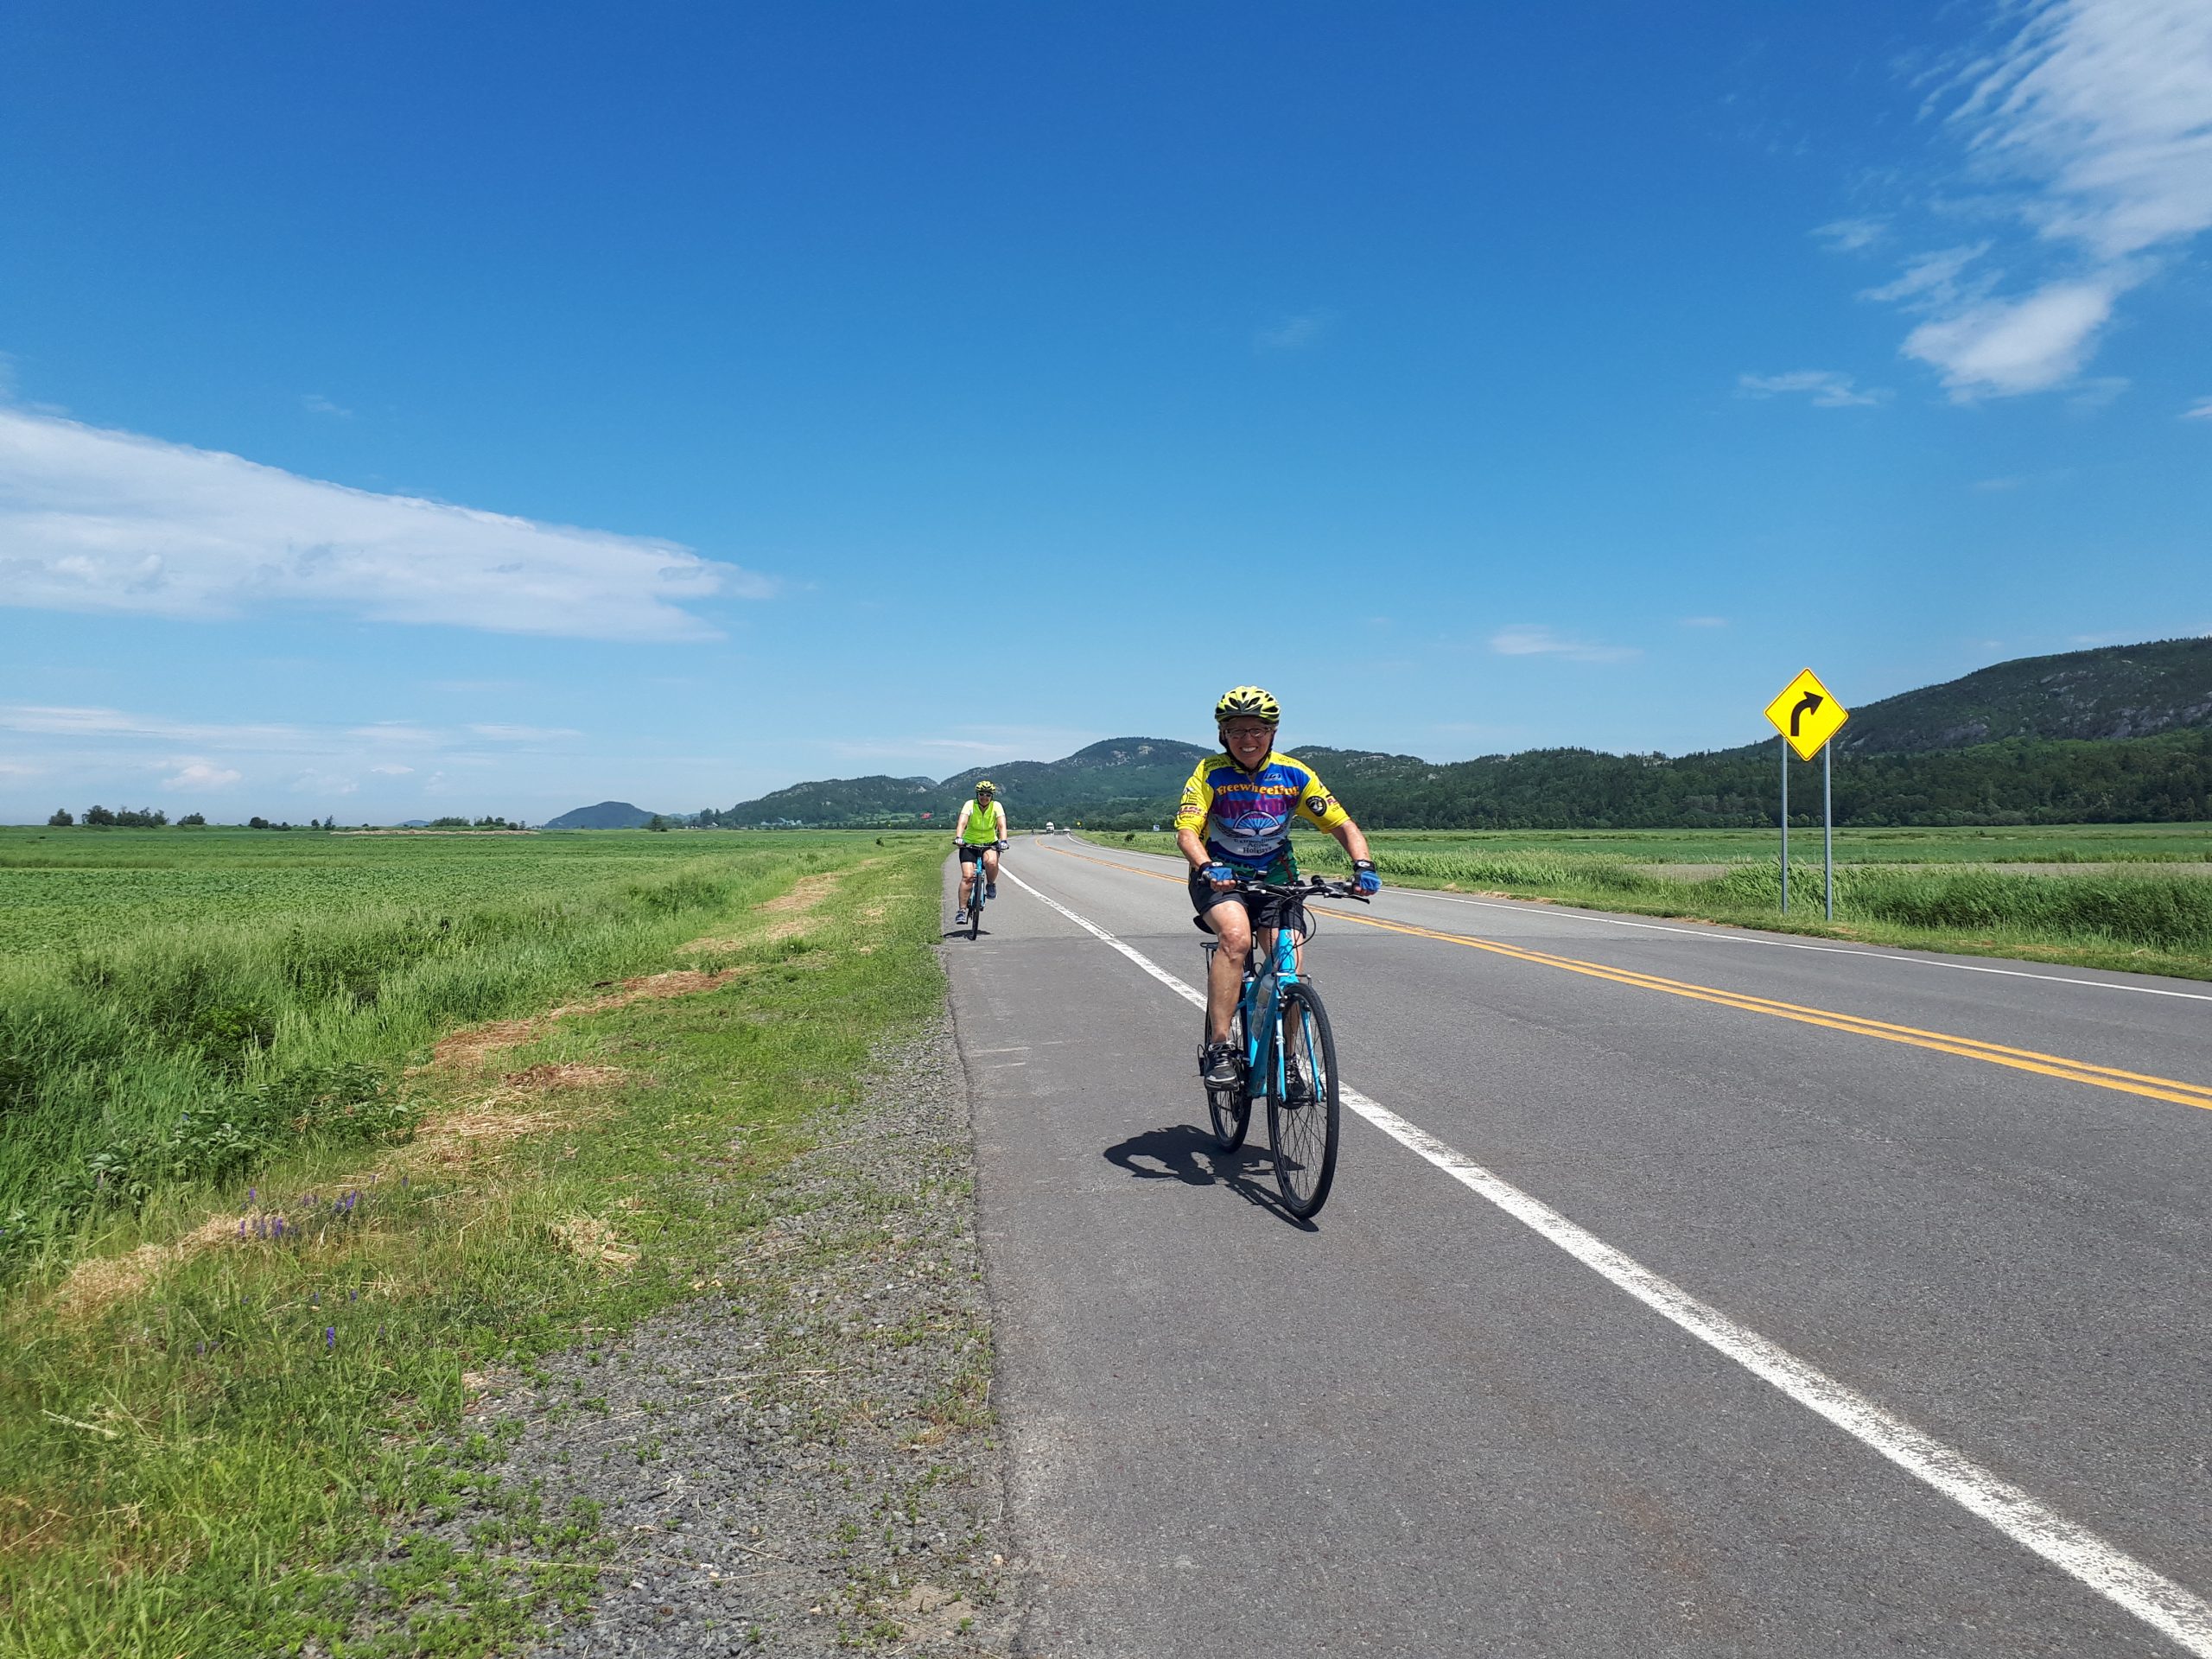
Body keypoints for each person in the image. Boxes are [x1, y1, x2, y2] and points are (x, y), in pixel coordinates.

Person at [1176, 686, 1380, 1087]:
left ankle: (1290, 1058)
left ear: (1272, 733)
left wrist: (1363, 865)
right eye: (1236, 731)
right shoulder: (1208, 772)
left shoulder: (1294, 773)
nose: (1247, 739)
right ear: (1223, 735)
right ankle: (1220, 1047)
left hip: (1277, 880)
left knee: (1289, 966)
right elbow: (1187, 832)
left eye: (1257, 730)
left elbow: (1342, 824)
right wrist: (1206, 865)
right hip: (1221, 876)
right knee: (1234, 938)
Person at [953, 780, 1008, 923]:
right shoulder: (970, 804)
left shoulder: (996, 806)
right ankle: (961, 910)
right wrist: (959, 837)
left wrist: (1003, 841)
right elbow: (962, 822)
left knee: (991, 862)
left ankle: (990, 884)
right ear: (977, 795)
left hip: (989, 843)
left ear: (992, 796)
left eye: (988, 795)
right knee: (968, 877)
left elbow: (1001, 825)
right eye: (982, 794)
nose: (984, 797)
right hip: (969, 844)